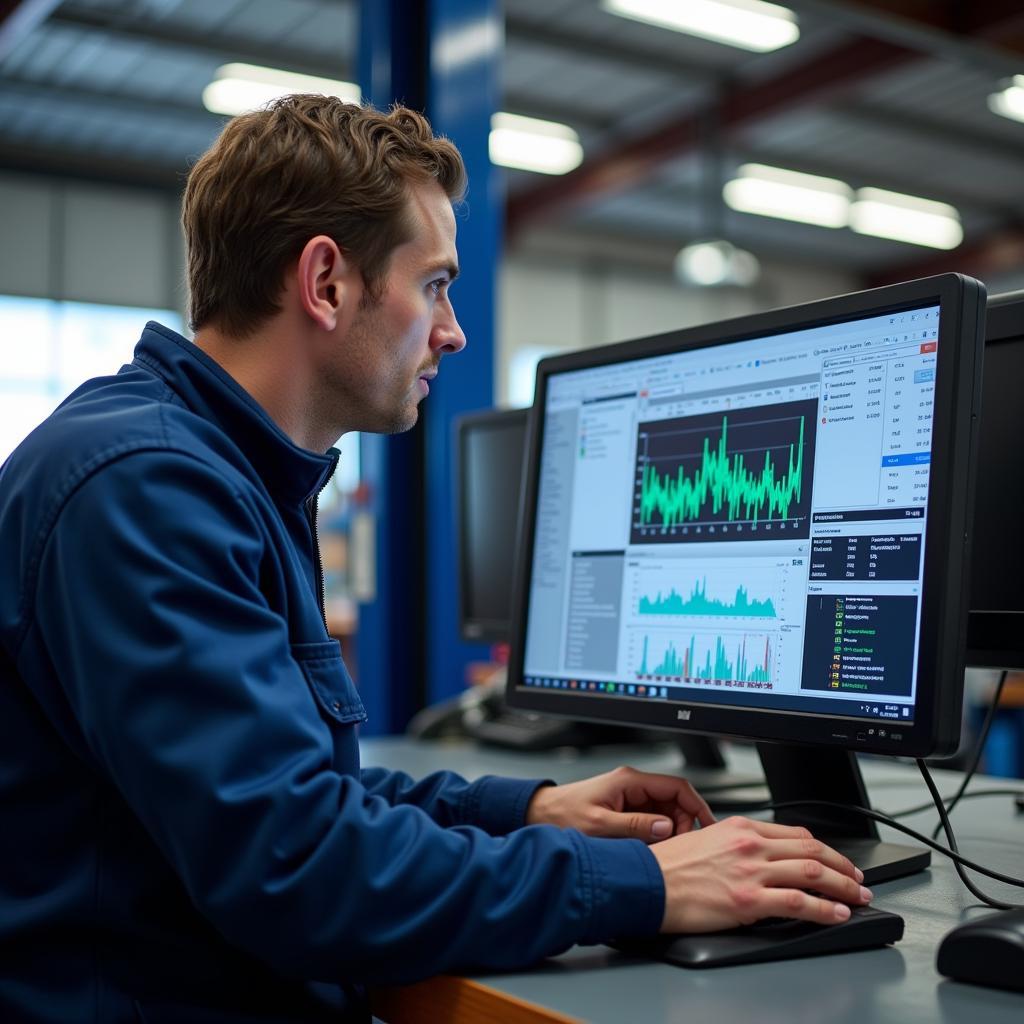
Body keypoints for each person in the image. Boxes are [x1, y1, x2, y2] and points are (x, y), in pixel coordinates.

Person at [0, 96, 870, 1024]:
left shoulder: (213, 470)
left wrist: (528, 811)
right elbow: (296, 869)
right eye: (437, 284)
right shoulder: (149, 489)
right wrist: (643, 881)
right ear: (327, 282)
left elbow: (295, 796)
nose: (451, 331)